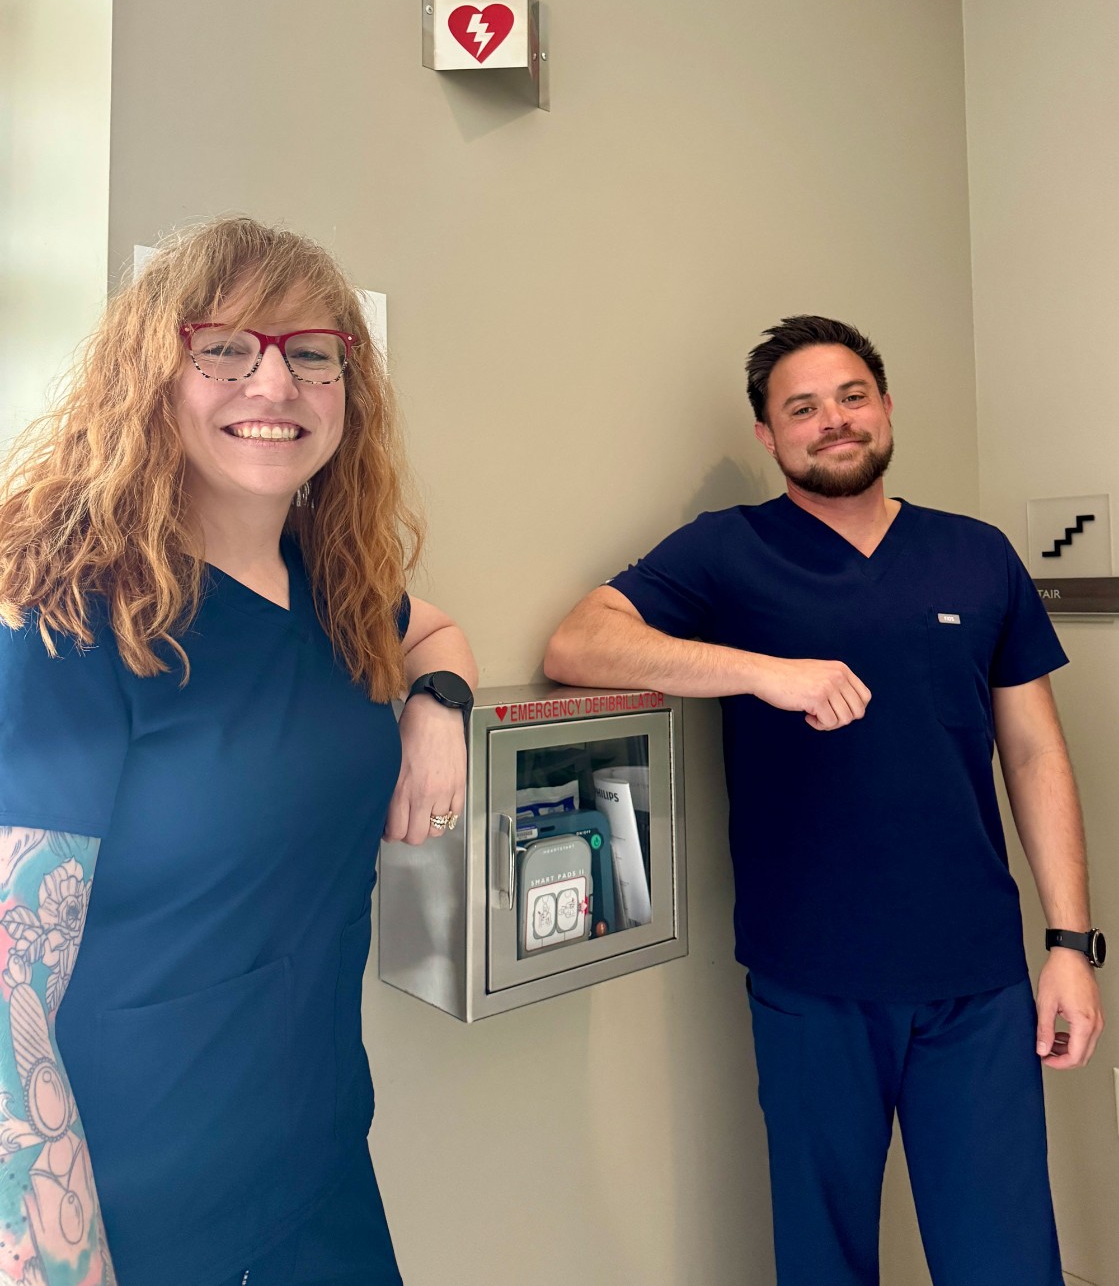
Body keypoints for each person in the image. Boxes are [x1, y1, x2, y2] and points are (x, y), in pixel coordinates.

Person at [544, 315, 1105, 1285]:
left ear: (886, 408)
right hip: (812, 978)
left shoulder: (976, 556)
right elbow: (578, 642)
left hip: (975, 978)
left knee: (1006, 1258)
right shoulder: (729, 552)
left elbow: (1034, 749)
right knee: (823, 1259)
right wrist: (761, 671)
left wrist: (1070, 942)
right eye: (800, 407)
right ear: (768, 435)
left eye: (851, 396)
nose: (832, 420)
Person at [0, 218, 477, 1286]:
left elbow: (433, 630)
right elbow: (6, 997)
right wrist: (55, 1262)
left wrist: (437, 705)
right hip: (132, 1211)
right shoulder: (73, 622)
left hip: (319, 1171)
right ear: (151, 377)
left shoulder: (334, 585)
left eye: (312, 352)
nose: (275, 382)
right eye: (224, 347)